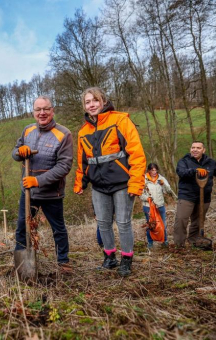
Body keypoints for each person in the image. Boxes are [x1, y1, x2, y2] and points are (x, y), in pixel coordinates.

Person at [74, 87, 146, 277]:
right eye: (88, 102)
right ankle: (109, 258)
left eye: (95, 100)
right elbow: (83, 161)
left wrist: (136, 183)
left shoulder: (121, 120)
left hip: (122, 183)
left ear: (103, 101)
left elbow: (137, 154)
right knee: (103, 223)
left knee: (123, 223)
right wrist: (80, 182)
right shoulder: (83, 132)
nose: (92, 105)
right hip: (99, 186)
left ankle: (127, 260)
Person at [12, 95, 73, 270]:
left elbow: (64, 166)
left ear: (52, 110)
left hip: (51, 193)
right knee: (22, 227)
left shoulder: (64, 134)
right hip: (28, 192)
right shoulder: (27, 130)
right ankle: (22, 265)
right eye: (38, 109)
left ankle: (63, 261)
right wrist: (19, 153)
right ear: (33, 112)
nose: (42, 113)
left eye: (46, 109)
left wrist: (37, 181)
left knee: (58, 229)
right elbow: (15, 152)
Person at [174, 141, 216, 248]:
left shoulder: (211, 163)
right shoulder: (184, 161)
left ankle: (194, 242)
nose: (195, 150)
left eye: (198, 148)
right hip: (187, 196)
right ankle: (179, 246)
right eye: (193, 147)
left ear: (203, 150)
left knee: (198, 222)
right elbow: (181, 172)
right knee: (181, 220)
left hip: (204, 197)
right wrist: (195, 171)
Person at [140, 163, 175, 249]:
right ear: (148, 170)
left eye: (156, 170)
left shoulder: (161, 178)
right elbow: (140, 194)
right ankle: (150, 243)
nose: (154, 172)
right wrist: (148, 198)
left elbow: (168, 191)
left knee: (162, 224)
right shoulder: (143, 179)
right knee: (151, 225)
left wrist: (164, 184)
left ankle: (164, 241)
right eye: (152, 170)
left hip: (160, 205)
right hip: (148, 206)